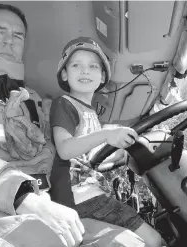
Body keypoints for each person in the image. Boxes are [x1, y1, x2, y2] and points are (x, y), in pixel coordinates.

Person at [0, 3, 149, 247]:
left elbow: (61, 153)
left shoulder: (31, 98)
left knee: (130, 242)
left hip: (39, 206)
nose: (9, 40)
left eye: (17, 35)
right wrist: (22, 195)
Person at [49, 37, 162, 247]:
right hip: (78, 197)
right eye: (76, 65)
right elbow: (65, 150)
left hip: (91, 194)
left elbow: (91, 157)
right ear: (64, 74)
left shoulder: (90, 112)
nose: (85, 71)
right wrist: (106, 134)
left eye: (93, 66)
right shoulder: (64, 104)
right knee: (153, 240)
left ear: (102, 76)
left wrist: (123, 152)